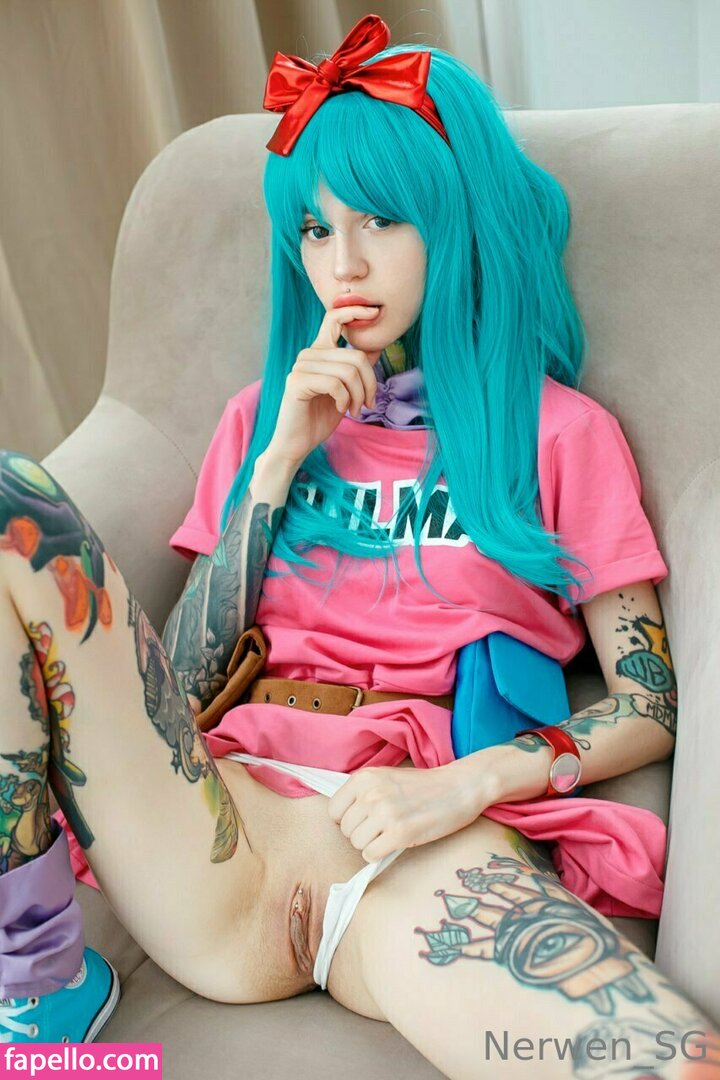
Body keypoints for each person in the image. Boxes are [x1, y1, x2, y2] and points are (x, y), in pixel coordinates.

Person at [1, 12, 719, 1075]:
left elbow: (649, 705)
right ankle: (37, 986)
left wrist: (468, 785)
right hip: (213, 823)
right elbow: (178, 685)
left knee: (667, 1060)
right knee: (12, 500)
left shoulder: (563, 435)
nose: (343, 264)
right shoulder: (261, 422)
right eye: (315, 228)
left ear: (451, 216)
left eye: (380, 219)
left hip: (414, 836)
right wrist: (276, 468)